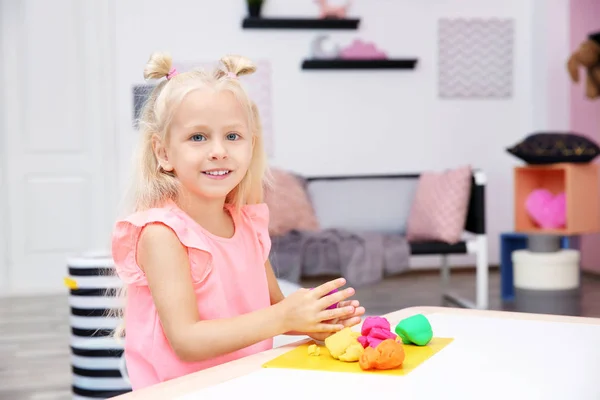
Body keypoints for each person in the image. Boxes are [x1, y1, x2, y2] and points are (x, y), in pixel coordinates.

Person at [110, 52, 365, 390]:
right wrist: (282, 317)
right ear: (164, 153)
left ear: (250, 145)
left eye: (232, 136)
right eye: (198, 137)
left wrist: (312, 318)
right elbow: (187, 340)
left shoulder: (248, 224)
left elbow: (272, 308)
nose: (219, 150)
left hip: (245, 384)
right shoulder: (162, 234)